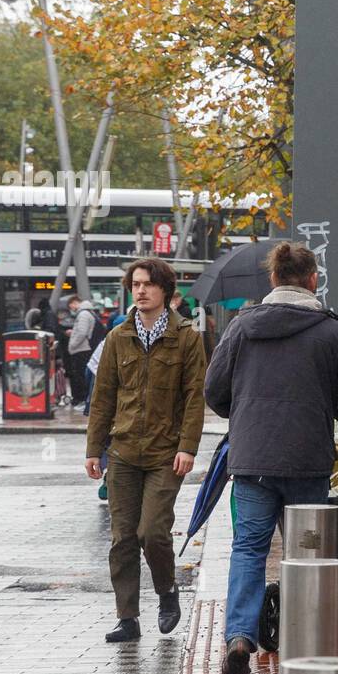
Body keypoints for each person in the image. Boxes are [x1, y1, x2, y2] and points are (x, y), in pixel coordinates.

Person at [205, 242, 338, 674]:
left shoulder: (241, 328)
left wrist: (244, 414)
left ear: (273, 280)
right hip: (307, 459)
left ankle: (240, 636)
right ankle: (308, 636)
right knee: (307, 552)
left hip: (252, 460)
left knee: (248, 547)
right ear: (313, 279)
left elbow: (214, 391)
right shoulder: (333, 333)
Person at [85, 258, 207, 644]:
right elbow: (102, 397)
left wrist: (188, 447)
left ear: (165, 291)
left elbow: (194, 398)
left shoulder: (186, 337)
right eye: (135, 284)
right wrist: (94, 449)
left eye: (148, 285)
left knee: (152, 532)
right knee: (122, 538)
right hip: (122, 452)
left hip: (164, 454)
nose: (140, 291)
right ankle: (127, 617)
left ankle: (167, 592)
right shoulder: (118, 338)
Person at [66, 296, 96, 406]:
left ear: (75, 302)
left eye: (71, 306)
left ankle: (82, 399)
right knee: (81, 374)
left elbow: (82, 332)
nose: (72, 309)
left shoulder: (83, 314)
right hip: (82, 348)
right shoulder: (87, 313)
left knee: (80, 375)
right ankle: (83, 398)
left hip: (81, 349)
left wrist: (72, 345)